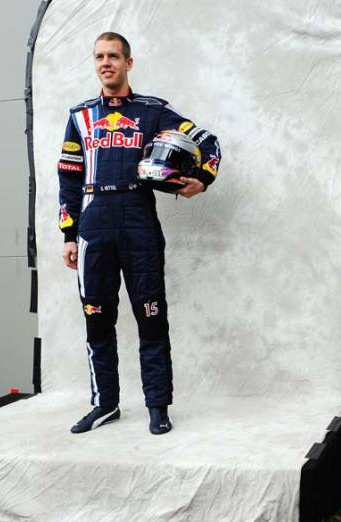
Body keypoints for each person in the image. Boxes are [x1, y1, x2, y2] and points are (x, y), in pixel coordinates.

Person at [57, 32, 221, 435]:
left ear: (129, 62)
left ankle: (157, 406)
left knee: (151, 315)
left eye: (113, 56)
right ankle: (105, 404)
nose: (105, 62)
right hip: (94, 221)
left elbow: (207, 141)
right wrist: (68, 233)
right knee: (96, 317)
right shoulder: (79, 116)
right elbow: (68, 177)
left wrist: (201, 178)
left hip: (138, 218)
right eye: (99, 56)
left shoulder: (152, 111)